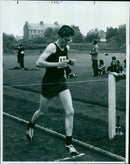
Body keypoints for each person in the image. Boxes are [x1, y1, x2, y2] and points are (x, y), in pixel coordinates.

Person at [26, 25, 79, 156]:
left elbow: (63, 63)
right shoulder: (51, 47)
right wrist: (57, 64)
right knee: (42, 111)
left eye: (70, 40)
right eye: (66, 39)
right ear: (60, 36)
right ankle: (31, 125)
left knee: (70, 111)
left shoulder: (66, 47)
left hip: (61, 82)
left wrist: (68, 63)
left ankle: (69, 144)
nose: (68, 42)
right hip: (49, 83)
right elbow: (38, 63)